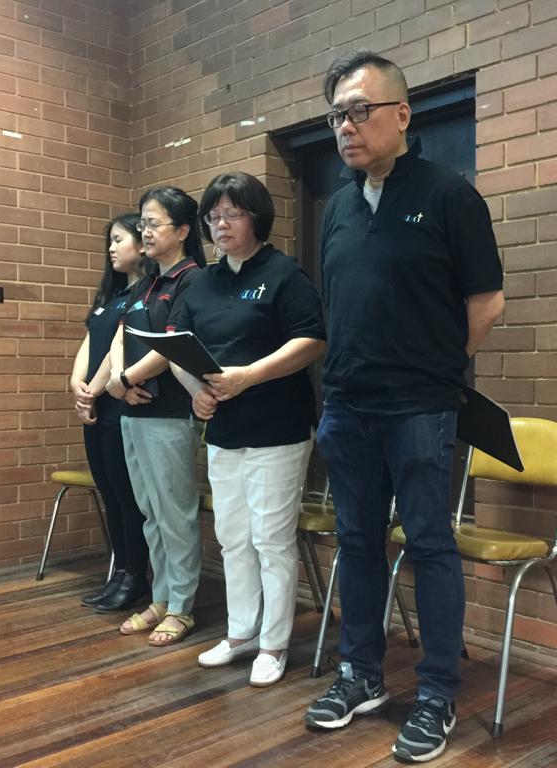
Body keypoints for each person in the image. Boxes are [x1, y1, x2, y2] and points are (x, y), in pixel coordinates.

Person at [303, 52, 505, 763]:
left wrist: (438, 370)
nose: (346, 126)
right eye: (337, 115)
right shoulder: (337, 208)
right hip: (347, 407)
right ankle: (360, 674)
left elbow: (487, 302)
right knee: (356, 542)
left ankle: (437, 692)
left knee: (428, 545)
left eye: (360, 110)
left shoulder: (449, 195)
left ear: (402, 114)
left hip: (420, 407)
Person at [172, 171, 326, 687]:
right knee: (232, 537)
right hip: (224, 430)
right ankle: (241, 634)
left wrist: (249, 376)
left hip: (277, 428)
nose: (220, 225)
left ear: (256, 218)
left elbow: (312, 341)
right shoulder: (203, 282)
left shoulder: (283, 273)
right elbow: (178, 345)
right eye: (213, 216)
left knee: (271, 540)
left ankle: (274, 644)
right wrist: (196, 390)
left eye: (232, 214)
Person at [105, 187, 205, 647]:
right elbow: (122, 334)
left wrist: (126, 379)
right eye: (142, 223)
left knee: (175, 513)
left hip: (169, 413)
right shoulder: (146, 283)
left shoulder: (192, 279)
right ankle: (162, 597)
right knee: (150, 512)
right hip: (133, 411)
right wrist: (117, 380)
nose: (144, 231)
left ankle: (182, 606)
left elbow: (172, 345)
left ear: (182, 231)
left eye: (153, 223)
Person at [70, 213, 151, 614]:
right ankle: (119, 572)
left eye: (119, 239)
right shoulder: (111, 295)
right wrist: (76, 384)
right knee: (109, 493)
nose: (112, 248)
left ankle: (136, 575)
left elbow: (118, 349)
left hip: (121, 405)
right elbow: (90, 343)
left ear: (142, 243)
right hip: (96, 406)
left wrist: (95, 389)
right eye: (111, 241)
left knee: (126, 494)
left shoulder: (145, 294)